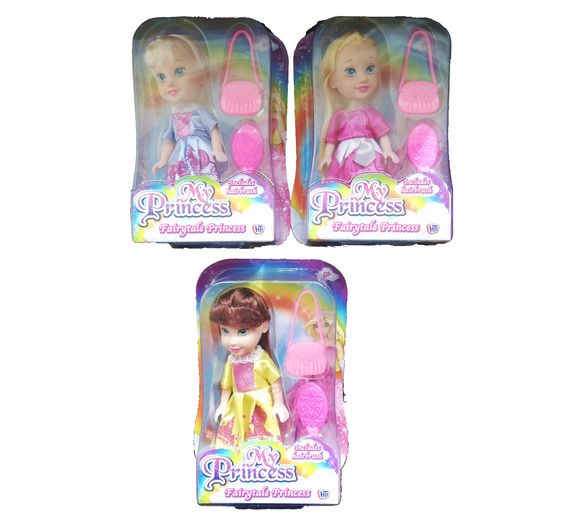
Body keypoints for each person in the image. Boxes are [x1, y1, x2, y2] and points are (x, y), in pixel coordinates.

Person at [210, 287, 289, 448]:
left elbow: (275, 382)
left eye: (242, 332)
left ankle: (262, 453)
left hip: (259, 404)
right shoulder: (231, 361)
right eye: (225, 331)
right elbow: (227, 386)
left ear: (264, 326)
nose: (232, 341)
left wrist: (279, 404)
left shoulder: (261, 360)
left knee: (260, 434)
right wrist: (223, 404)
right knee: (234, 435)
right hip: (237, 405)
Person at [144, 34, 227, 184]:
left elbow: (214, 129)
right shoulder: (173, 115)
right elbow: (169, 139)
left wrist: (217, 149)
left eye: (179, 72)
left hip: (201, 150)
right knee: (180, 179)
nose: (169, 82)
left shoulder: (199, 110)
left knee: (204, 176)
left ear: (202, 76)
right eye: (161, 77)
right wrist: (163, 160)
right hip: (180, 154)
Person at [318, 32, 399, 182]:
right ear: (333, 81)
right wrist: (327, 156)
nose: (363, 78)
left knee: (373, 177)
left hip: (370, 152)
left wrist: (388, 151)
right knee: (343, 177)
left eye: (370, 69)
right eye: (351, 71)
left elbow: (382, 134)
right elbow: (331, 140)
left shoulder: (370, 112)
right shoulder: (339, 116)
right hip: (345, 153)